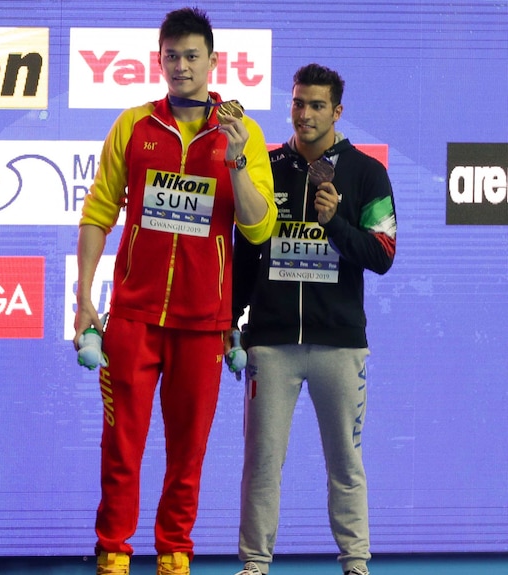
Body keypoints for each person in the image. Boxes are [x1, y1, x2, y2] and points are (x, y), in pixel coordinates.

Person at [73, 7, 277, 575]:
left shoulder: (243, 133)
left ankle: (174, 552)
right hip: (133, 317)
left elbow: (259, 227)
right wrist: (85, 297)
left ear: (213, 61)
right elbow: (97, 212)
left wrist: (236, 158)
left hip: (204, 322)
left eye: (192, 56)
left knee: (187, 454)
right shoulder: (134, 124)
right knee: (121, 448)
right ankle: (113, 551)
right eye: (172, 56)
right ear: (159, 60)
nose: (181, 66)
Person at [230, 63, 397, 575]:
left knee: (346, 464)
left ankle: (355, 563)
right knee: (262, 463)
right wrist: (230, 320)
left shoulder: (367, 172)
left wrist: (336, 223)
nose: (305, 114)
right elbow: (246, 250)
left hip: (341, 345)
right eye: (299, 103)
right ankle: (255, 565)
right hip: (272, 344)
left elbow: (384, 253)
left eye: (317, 105)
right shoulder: (268, 164)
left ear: (337, 111)